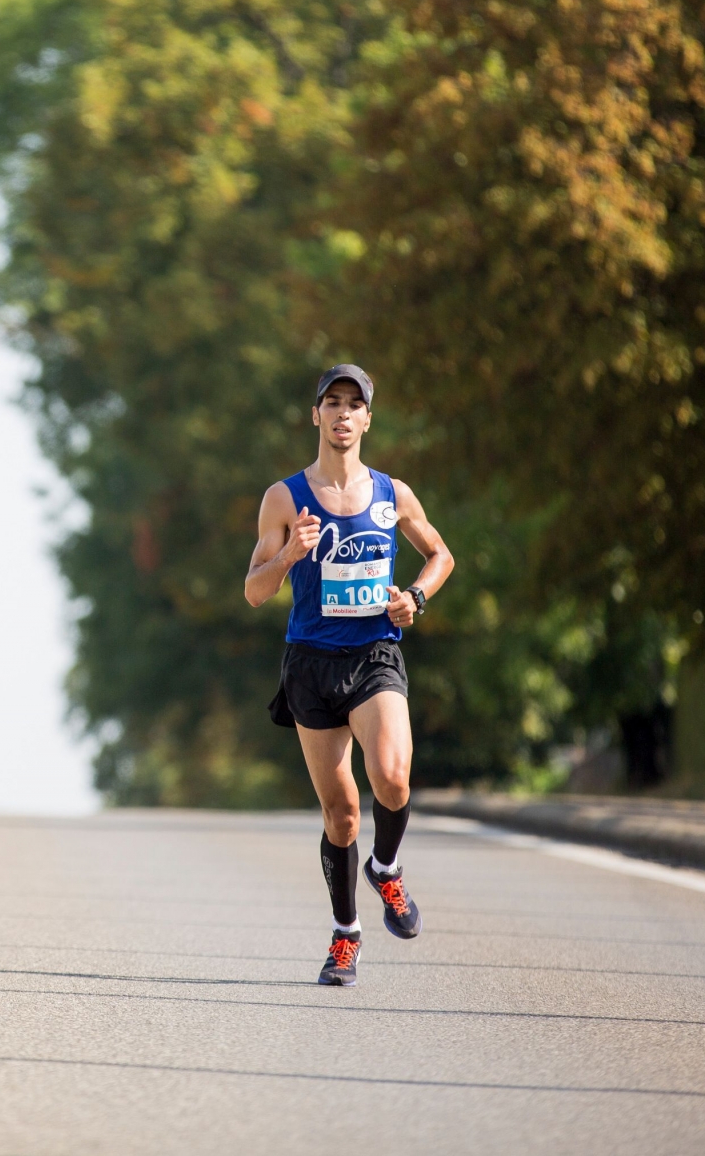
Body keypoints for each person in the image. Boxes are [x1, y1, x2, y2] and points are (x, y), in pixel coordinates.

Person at [244, 364, 454, 986]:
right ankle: (346, 936)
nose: (341, 414)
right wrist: (288, 554)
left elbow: (441, 554)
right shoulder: (284, 498)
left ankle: (385, 868)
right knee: (342, 817)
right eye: (330, 403)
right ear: (315, 416)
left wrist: (414, 596)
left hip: (374, 656)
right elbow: (255, 592)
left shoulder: (393, 494)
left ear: (367, 419)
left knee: (392, 777)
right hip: (310, 664)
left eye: (353, 405)